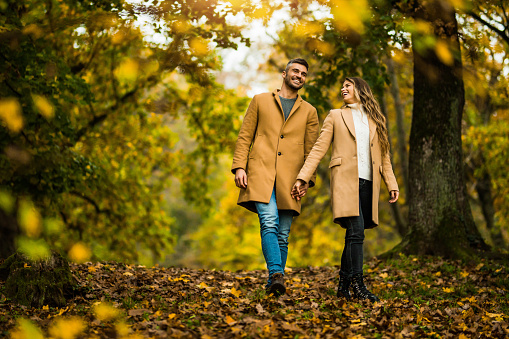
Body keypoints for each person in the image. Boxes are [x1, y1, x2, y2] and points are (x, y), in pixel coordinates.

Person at [291, 77, 399, 302]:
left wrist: (392, 183)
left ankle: (343, 286)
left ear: (361, 89)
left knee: (354, 234)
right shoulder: (335, 116)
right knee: (357, 231)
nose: (343, 89)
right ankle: (358, 285)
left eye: (348, 85)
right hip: (344, 182)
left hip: (369, 182)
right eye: (342, 86)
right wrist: (303, 177)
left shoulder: (377, 120)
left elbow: (385, 155)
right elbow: (319, 148)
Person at [231, 58, 320, 296]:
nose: (299, 76)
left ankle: (274, 284)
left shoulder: (310, 111)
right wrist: (240, 166)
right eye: (295, 71)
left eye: (303, 73)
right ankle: (276, 274)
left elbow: (312, 151)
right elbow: (244, 136)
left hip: (291, 180)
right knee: (268, 222)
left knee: (283, 233)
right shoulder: (260, 100)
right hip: (260, 172)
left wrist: (306, 180)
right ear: (284, 73)